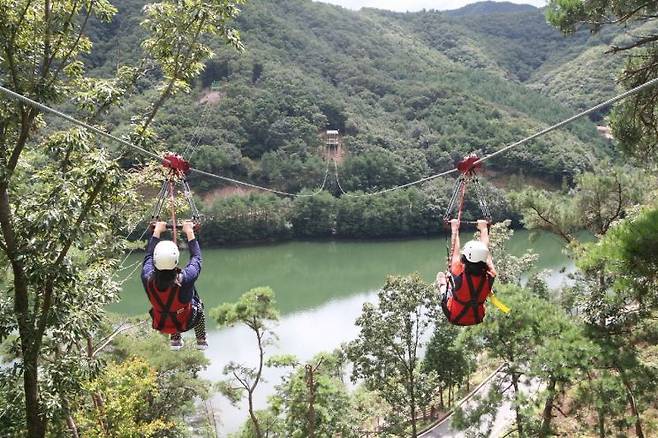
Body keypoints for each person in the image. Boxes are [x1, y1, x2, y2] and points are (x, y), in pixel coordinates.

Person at [141, 220, 208, 350]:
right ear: (176, 259)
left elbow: (148, 257)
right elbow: (196, 258)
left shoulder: (147, 278)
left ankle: (175, 340)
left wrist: (156, 232)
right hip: (187, 322)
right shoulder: (185, 278)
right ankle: (201, 340)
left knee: (169, 305)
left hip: (163, 323)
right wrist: (189, 232)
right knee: (198, 305)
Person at [437, 219, 497, 326]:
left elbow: (455, 249)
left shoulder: (458, 272)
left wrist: (454, 227)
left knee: (442, 278)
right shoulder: (490, 275)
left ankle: (442, 285)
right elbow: (485, 250)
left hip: (454, 316)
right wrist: (484, 229)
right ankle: (445, 283)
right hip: (477, 317)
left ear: (465, 257)